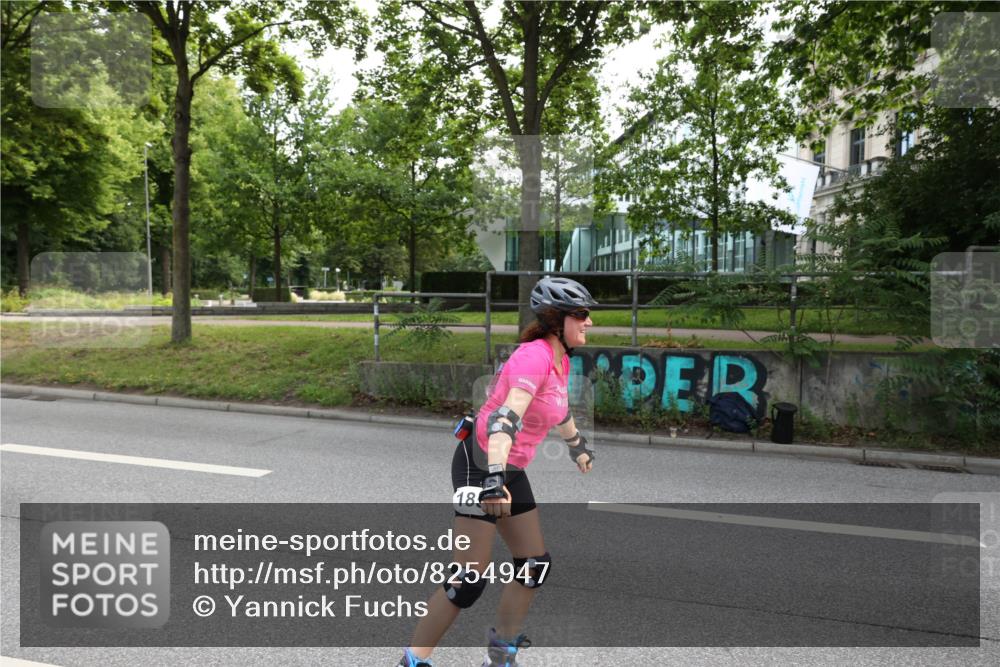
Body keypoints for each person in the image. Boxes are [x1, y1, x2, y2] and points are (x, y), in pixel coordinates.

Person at [398, 276, 599, 667]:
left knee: (534, 565)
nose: (589, 322)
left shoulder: (560, 360)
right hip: (481, 464)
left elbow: (559, 411)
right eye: (582, 314)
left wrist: (577, 446)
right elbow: (505, 419)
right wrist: (493, 479)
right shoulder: (533, 356)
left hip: (510, 468)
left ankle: (501, 653)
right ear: (557, 320)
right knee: (468, 581)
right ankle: (412, 661)